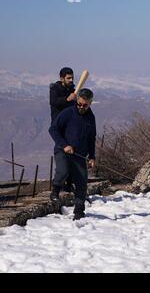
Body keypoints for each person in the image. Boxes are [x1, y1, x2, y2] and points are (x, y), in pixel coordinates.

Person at [49, 88, 97, 220]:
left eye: (84, 105)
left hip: (80, 155)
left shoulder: (91, 118)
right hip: (63, 150)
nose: (81, 107)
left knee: (82, 181)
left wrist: (92, 156)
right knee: (63, 172)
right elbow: (53, 129)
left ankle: (79, 210)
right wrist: (64, 145)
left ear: (90, 103)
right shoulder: (68, 113)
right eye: (79, 104)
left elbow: (91, 138)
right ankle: (55, 191)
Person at [49, 68, 78, 193]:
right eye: (68, 78)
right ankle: (57, 185)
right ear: (62, 78)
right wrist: (68, 99)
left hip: (71, 127)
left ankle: (69, 183)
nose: (71, 80)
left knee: (73, 155)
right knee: (62, 155)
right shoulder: (55, 89)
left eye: (72, 78)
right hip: (59, 127)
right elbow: (54, 102)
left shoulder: (72, 89)